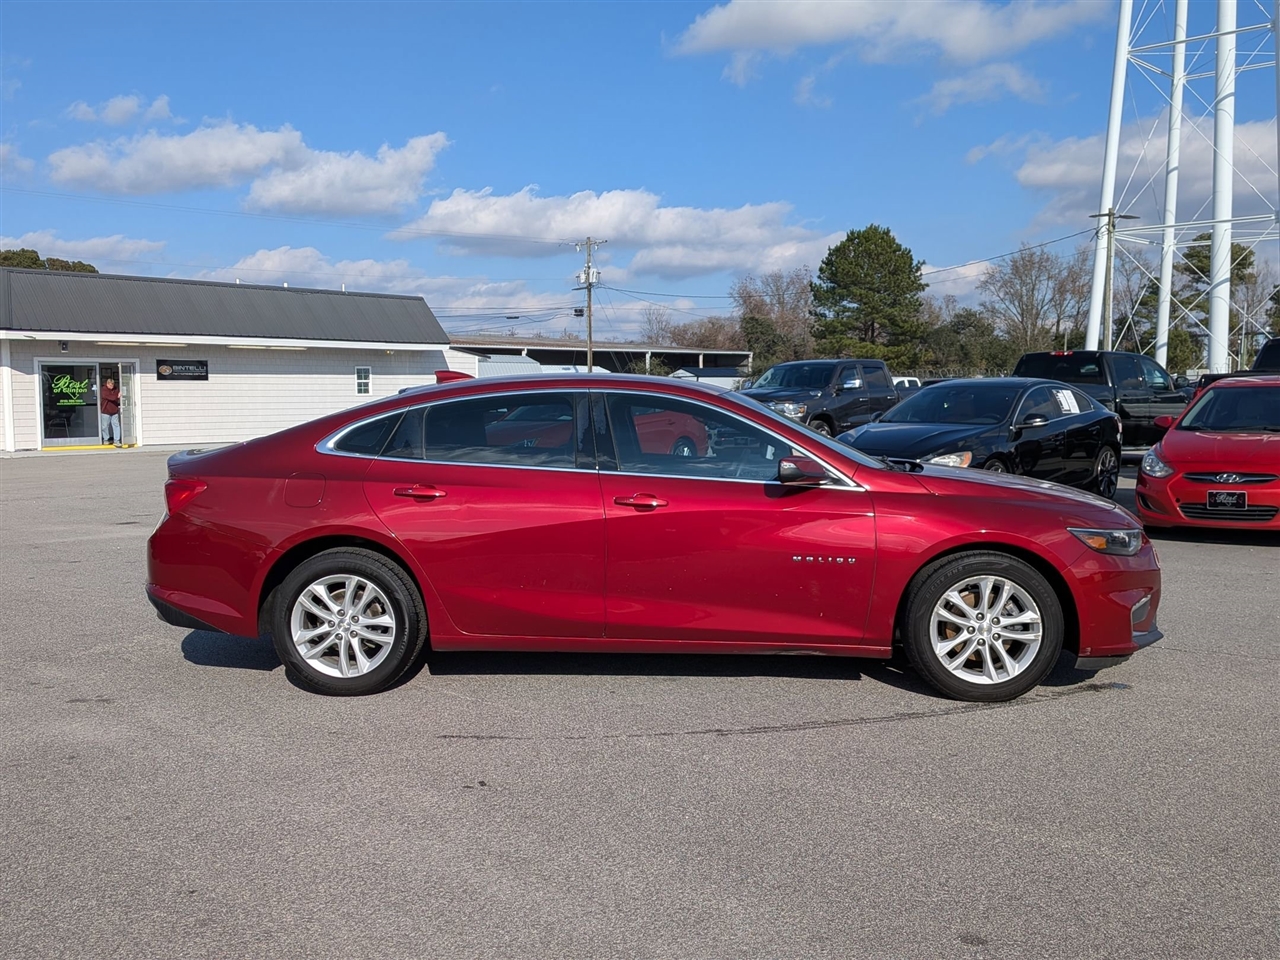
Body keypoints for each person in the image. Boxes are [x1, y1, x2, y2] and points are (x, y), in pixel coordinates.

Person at [99, 376, 122, 447]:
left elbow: (114, 397)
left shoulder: (116, 389)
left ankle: (117, 440)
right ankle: (106, 439)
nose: (111, 386)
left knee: (116, 426)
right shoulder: (104, 389)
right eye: (110, 384)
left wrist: (116, 396)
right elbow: (110, 397)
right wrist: (117, 396)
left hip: (114, 411)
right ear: (107, 384)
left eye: (112, 384)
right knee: (105, 426)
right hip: (105, 411)